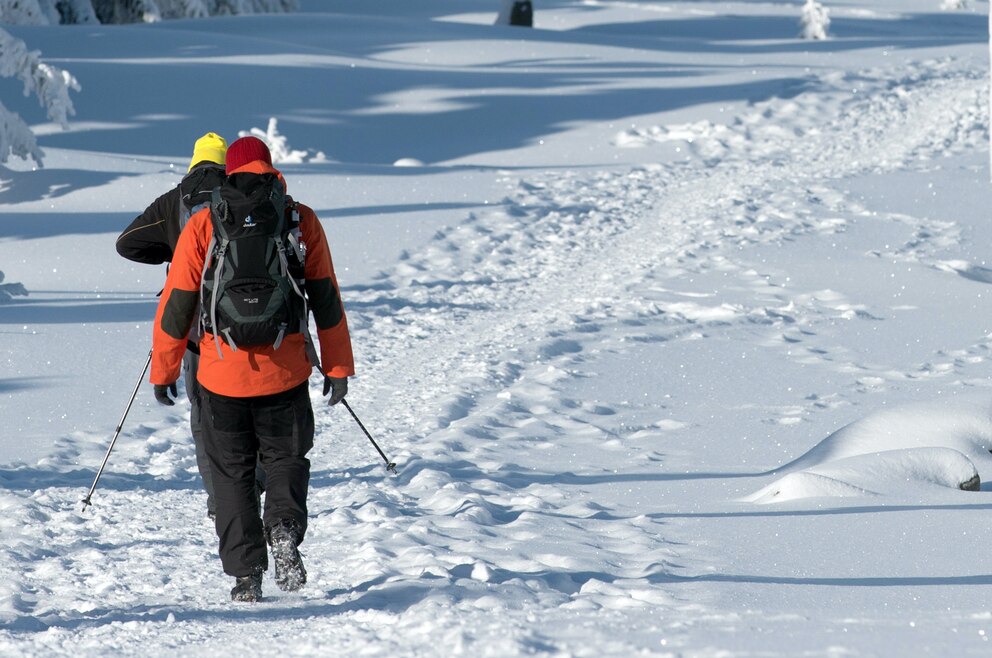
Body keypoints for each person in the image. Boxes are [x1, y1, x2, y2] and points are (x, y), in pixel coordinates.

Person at [150, 136, 355, 603]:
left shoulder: (204, 222)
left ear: (229, 173)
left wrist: (164, 370)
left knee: (231, 475)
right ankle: (282, 528)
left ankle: (246, 576)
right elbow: (326, 297)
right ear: (271, 169)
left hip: (220, 375)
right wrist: (338, 366)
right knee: (285, 459)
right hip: (286, 371)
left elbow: (177, 304)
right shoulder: (300, 219)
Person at [115, 132, 266, 520]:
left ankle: (222, 500)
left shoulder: (174, 200)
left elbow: (127, 244)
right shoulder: (243, 192)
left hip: (197, 329)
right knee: (260, 403)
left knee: (207, 418)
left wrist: (174, 250)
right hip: (254, 318)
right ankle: (260, 476)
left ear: (194, 162)